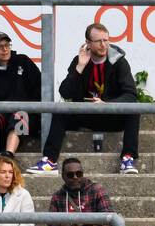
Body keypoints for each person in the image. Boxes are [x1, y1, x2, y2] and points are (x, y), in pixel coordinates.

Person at [29, 23, 139, 175]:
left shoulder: (118, 62)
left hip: (110, 115)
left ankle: (128, 159)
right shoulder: (79, 61)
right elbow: (65, 93)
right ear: (88, 42)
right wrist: (80, 67)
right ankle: (50, 161)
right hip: (85, 115)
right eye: (98, 41)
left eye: (106, 40)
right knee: (61, 110)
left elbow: (131, 95)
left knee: (134, 110)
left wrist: (107, 104)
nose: (103, 45)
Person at [0, 32, 41, 172]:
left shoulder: (23, 61)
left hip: (25, 113)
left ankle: (9, 155)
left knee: (20, 115)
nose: (5, 49)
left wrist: (33, 108)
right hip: (2, 115)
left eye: (7, 45)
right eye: (0, 46)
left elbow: (39, 86)